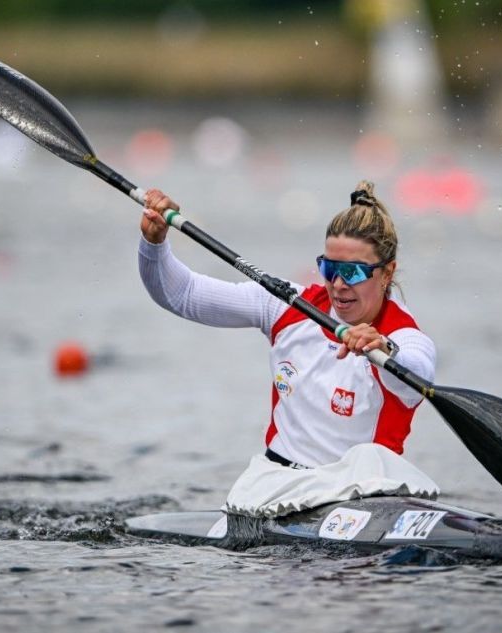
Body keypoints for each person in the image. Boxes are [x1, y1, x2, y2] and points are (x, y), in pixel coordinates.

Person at [138, 180, 436, 470]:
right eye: (329, 268)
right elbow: (182, 294)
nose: (338, 284)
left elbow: (418, 371)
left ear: (387, 273)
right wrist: (154, 244)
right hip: (278, 480)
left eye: (353, 272)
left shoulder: (404, 336)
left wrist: (384, 350)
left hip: (361, 488)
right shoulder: (287, 305)